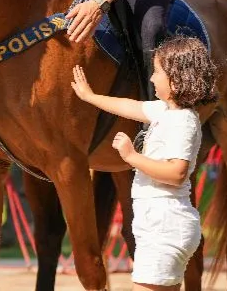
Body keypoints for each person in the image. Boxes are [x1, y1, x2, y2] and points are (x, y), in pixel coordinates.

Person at [70, 36, 217, 290]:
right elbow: (130, 106)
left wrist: (132, 157)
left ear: (176, 79)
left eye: (157, 72)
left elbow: (177, 172)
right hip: (160, 224)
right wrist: (91, 97)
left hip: (165, 226)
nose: (151, 78)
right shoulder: (166, 112)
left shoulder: (182, 121)